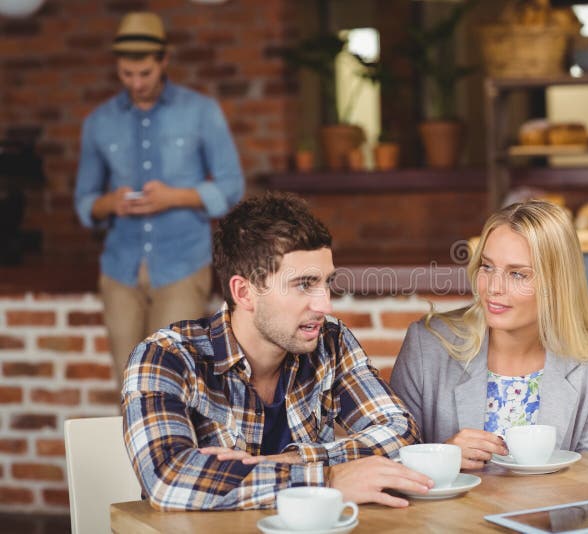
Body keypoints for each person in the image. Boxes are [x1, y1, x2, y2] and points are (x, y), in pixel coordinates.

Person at [122, 192, 433, 510]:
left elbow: (402, 433)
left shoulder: (330, 341)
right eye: (304, 284)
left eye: (326, 282)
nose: (325, 304)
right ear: (244, 293)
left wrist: (287, 461)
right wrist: (328, 480)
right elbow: (169, 479)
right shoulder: (166, 357)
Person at [73, 11, 244, 379]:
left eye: (145, 73)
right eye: (126, 74)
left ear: (164, 61)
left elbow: (231, 187)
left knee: (174, 378)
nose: (136, 83)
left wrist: (175, 197)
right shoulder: (99, 122)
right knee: (129, 382)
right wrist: (110, 203)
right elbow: (85, 201)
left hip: (182, 264)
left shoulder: (201, 112)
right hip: (121, 268)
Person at [390, 200, 588, 469]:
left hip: (552, 510)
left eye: (517, 274)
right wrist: (442, 457)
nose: (493, 288)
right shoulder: (426, 345)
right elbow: (389, 465)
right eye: (487, 267)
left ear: (557, 284)